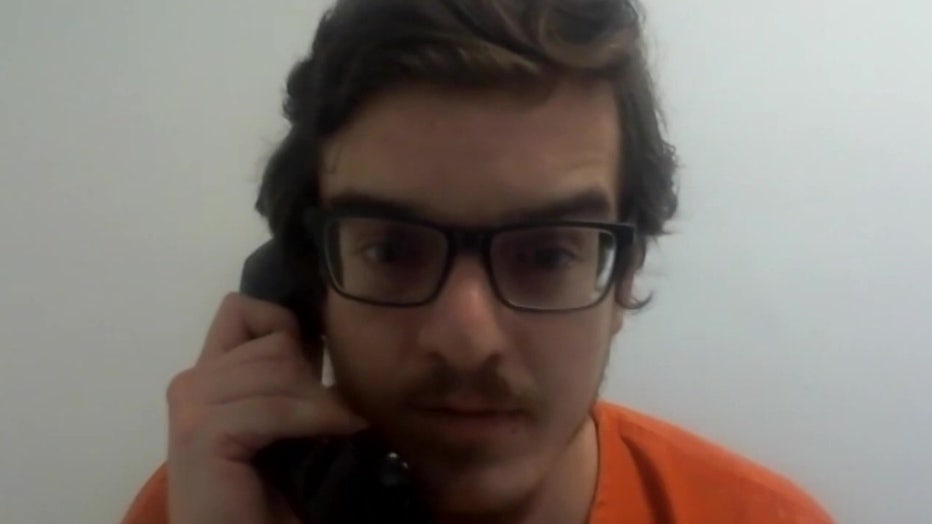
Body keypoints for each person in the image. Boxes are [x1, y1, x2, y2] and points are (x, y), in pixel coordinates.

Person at [123, 0, 833, 522]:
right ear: (309, 279)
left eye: (547, 254)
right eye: (392, 250)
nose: (467, 339)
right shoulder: (208, 505)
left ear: (623, 276)